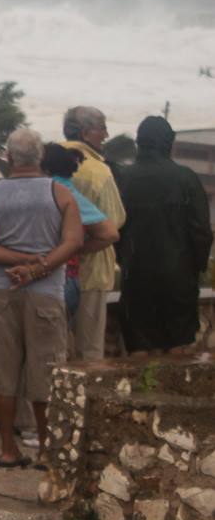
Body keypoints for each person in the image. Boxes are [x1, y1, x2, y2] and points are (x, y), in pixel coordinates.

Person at [0, 128, 83, 468]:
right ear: (41, 157)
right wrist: (37, 267)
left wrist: (15, 263)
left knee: (2, 373)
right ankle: (47, 450)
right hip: (47, 296)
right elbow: (74, 241)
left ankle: (8, 448)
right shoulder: (60, 193)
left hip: (3, 293)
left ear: (8, 158)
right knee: (45, 373)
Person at [115, 116, 213, 356]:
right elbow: (201, 230)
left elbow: (114, 227)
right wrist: (196, 267)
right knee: (178, 343)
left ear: (140, 143)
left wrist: (124, 260)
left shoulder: (123, 179)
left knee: (138, 344)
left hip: (135, 275)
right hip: (178, 277)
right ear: (169, 143)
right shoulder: (186, 179)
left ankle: (140, 391)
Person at [59, 107, 127, 360]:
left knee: (53, 351)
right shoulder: (98, 170)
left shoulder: (47, 159)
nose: (106, 134)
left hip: (52, 269)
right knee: (89, 353)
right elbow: (115, 221)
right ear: (86, 133)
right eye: (102, 128)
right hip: (92, 269)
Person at [41, 143, 120, 321]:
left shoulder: (61, 192)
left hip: (59, 279)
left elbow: (110, 233)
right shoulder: (65, 191)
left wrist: (70, 249)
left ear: (45, 168)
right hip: (63, 277)